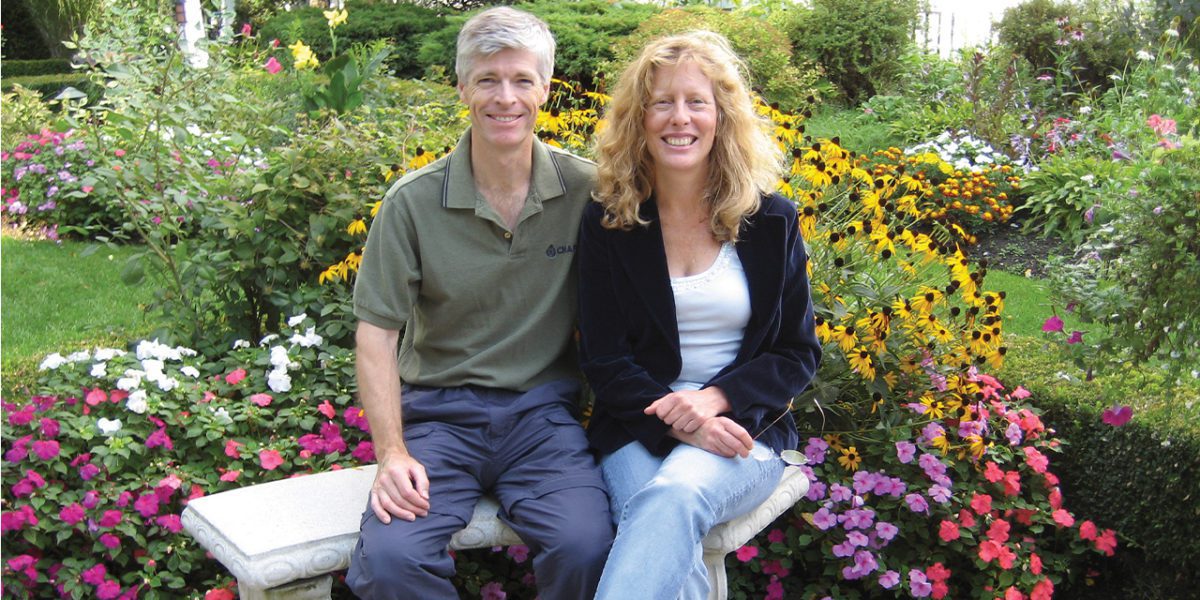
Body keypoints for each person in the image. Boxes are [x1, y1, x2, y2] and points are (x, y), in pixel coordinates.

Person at [346, 7, 613, 599]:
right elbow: (375, 337)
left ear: (546, 87)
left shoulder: (587, 191)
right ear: (463, 86)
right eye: (488, 80)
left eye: (522, 80)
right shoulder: (413, 203)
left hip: (543, 422)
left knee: (586, 546)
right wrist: (391, 453)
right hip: (438, 420)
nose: (505, 98)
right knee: (391, 561)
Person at [577, 30, 823, 599]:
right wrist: (682, 419)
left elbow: (797, 351)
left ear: (722, 116)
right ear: (639, 118)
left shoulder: (772, 222)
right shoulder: (610, 222)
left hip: (744, 425)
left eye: (696, 102)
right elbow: (605, 358)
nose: (678, 118)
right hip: (636, 423)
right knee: (660, 515)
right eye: (661, 102)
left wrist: (711, 402)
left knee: (671, 497)